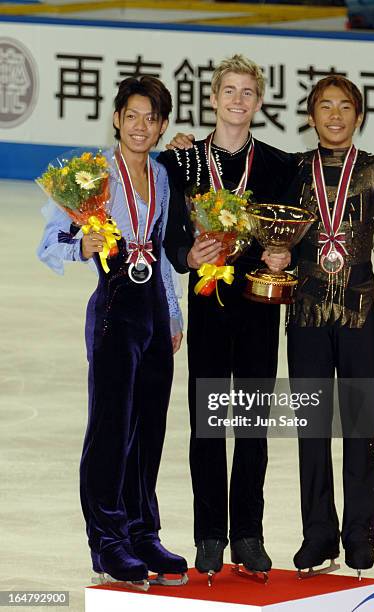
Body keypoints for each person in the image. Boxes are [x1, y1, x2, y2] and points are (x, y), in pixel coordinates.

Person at [37, 76, 188, 588]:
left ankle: (143, 532)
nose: (141, 126)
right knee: (111, 429)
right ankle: (108, 540)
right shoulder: (92, 174)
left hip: (152, 312)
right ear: (118, 119)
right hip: (114, 311)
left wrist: (172, 314)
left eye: (152, 118)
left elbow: (164, 252)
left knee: (150, 431)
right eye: (132, 116)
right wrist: (81, 246)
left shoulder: (163, 178)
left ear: (163, 126)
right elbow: (51, 243)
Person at [286, 75, 374, 578]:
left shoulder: (373, 172)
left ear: (359, 116)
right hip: (305, 313)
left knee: (360, 428)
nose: (334, 115)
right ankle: (317, 536)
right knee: (310, 429)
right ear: (310, 116)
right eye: (324, 106)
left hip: (360, 315)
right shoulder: (295, 169)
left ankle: (359, 537)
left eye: (344, 106)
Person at [157, 54, 296, 582]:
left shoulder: (280, 166)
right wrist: (186, 258)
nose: (238, 101)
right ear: (212, 99)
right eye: (229, 91)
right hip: (208, 306)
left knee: (253, 425)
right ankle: (210, 535)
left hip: (259, 309)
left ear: (259, 104)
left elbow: (289, 237)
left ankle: (250, 536)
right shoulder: (183, 164)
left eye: (248, 93)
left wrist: (283, 257)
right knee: (209, 425)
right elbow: (170, 235)